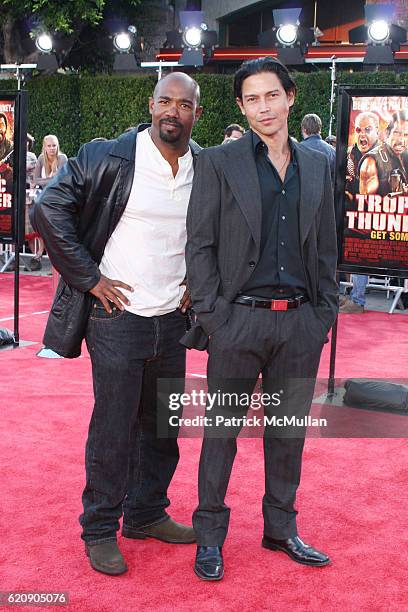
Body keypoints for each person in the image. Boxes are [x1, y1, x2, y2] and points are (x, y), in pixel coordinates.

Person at [31, 73, 203, 575]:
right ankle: (101, 528)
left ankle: (147, 513)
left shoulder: (203, 167)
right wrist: (89, 278)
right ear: (151, 105)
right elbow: (48, 209)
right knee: (113, 429)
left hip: (173, 319)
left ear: (196, 111)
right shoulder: (110, 155)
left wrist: (198, 280)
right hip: (116, 318)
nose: (173, 111)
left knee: (162, 429)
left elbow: (210, 233)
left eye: (184, 104)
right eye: (165, 101)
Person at [184, 57, 338, 581]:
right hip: (237, 323)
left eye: (271, 95)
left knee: (287, 433)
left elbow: (325, 248)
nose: (263, 107)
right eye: (251, 99)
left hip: (300, 325)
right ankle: (209, 537)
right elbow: (199, 246)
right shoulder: (220, 162)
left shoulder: (317, 164)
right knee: (220, 434)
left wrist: (322, 316)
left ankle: (281, 528)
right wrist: (216, 317)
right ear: (241, 107)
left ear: (290, 97)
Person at [340, 111, 381, 315]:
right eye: (358, 130)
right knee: (354, 257)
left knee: (361, 257)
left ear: (378, 131)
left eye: (367, 129)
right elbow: (349, 180)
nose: (362, 134)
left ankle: (358, 299)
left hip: (374, 216)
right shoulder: (351, 153)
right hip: (354, 214)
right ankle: (355, 296)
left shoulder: (383, 155)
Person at [31, 135, 68, 270]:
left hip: (58, 198)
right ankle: (40, 252)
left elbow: (59, 180)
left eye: (54, 145)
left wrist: (44, 181)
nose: (52, 148)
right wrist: (48, 180)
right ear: (44, 147)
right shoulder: (41, 158)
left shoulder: (62, 158)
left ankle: (55, 257)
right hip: (43, 198)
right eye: (49, 146)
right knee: (36, 219)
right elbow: (35, 180)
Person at [299, 113, 335, 181]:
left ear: (304, 129)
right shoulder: (332, 151)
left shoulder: (297, 149)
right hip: (326, 190)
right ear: (320, 129)